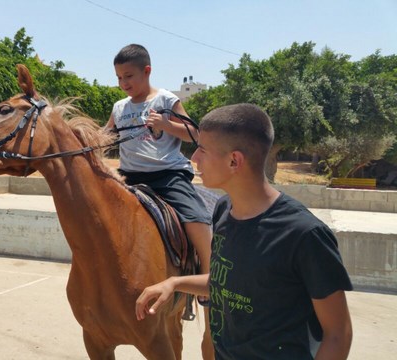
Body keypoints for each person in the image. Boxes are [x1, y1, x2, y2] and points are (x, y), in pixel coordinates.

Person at [135, 103, 354, 359]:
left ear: (234, 160)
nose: (193, 159)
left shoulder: (305, 234)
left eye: (202, 149)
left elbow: (338, 334)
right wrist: (175, 283)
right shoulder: (223, 210)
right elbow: (227, 283)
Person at [105, 44, 214, 358]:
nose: (123, 83)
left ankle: (211, 285)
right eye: (118, 77)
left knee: (197, 219)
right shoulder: (119, 107)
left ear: (147, 71)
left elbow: (195, 135)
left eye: (129, 76)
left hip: (167, 176)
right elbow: (106, 135)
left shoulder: (166, 100)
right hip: (128, 178)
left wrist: (166, 125)